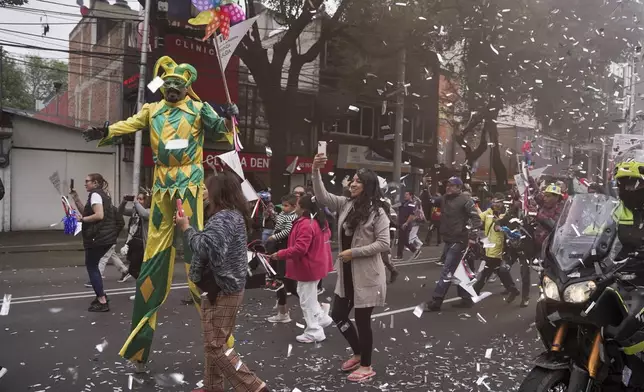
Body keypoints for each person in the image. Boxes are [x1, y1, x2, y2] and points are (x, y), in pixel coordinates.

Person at [82, 56, 239, 368]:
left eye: (176, 85)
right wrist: (106, 130)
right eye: (167, 85)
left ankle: (223, 344)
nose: (170, 89)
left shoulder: (198, 108)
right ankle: (139, 347)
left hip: (190, 187)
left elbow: (222, 134)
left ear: (186, 87)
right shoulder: (151, 111)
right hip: (162, 186)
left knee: (197, 258)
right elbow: (128, 124)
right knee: (153, 259)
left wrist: (229, 117)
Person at [177, 170, 269, 392]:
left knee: (217, 346)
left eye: (207, 188)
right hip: (217, 287)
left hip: (223, 288)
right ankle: (212, 387)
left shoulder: (225, 217)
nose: (204, 192)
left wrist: (186, 228)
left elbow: (207, 248)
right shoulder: (229, 215)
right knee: (213, 344)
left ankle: (255, 387)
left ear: (219, 192)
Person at [312, 154, 390, 383]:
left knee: (363, 321)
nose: (352, 183)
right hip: (347, 275)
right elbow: (322, 197)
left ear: (368, 186)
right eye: (352, 180)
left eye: (358, 181)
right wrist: (316, 171)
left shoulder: (378, 212)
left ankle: (367, 365)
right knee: (337, 314)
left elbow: (385, 243)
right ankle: (358, 353)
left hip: (367, 275)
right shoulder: (346, 204)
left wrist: (354, 252)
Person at [269, 195, 334, 343]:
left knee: (305, 300)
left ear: (303, 208)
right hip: (315, 264)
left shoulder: (306, 223)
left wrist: (280, 254)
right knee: (307, 296)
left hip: (308, 266)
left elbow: (300, 249)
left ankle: (314, 331)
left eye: (297, 205)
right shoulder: (318, 221)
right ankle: (321, 317)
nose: (295, 207)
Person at [422, 176, 482, 312]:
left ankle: (436, 301)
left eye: (452, 185)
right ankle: (467, 299)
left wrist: (472, 236)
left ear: (459, 188)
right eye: (447, 185)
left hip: (459, 240)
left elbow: (476, 219)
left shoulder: (466, 201)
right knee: (459, 271)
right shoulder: (443, 199)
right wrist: (425, 188)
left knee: (447, 271)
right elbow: (429, 201)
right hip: (448, 239)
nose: (448, 187)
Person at [76, 173, 118, 312]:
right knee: (93, 265)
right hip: (105, 238)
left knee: (92, 266)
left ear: (95, 183)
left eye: (87, 181)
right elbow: (88, 213)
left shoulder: (95, 195)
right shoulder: (101, 195)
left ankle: (102, 300)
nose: (85, 184)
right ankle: (101, 295)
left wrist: (82, 220)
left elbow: (99, 215)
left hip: (97, 238)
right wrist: (75, 198)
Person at [470, 193, 520, 304]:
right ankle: (512, 289)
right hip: (488, 244)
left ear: (502, 203)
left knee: (487, 270)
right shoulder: (488, 212)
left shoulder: (505, 214)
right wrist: (476, 207)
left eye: (498, 202)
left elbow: (507, 227)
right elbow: (479, 216)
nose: (495, 204)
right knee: (498, 270)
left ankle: (475, 290)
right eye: (494, 201)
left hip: (498, 246)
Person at [264, 193, 298, 298]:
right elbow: (277, 222)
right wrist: (272, 215)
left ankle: (281, 280)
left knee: (282, 260)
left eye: (286, 205)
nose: (283, 207)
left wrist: (274, 237)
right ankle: (272, 275)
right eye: (283, 205)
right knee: (273, 257)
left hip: (284, 240)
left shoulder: (293, 216)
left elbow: (287, 231)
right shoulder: (283, 213)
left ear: (294, 206)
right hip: (277, 236)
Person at [119, 192, 151, 288]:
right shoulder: (134, 210)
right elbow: (121, 211)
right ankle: (142, 290)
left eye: (141, 199)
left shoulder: (150, 210)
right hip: (133, 242)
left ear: (146, 201)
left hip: (142, 243)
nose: (139, 201)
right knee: (135, 268)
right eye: (138, 198)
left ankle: (146, 288)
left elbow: (144, 214)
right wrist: (124, 202)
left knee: (134, 269)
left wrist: (135, 202)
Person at [395, 191, 422, 260]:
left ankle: (414, 250)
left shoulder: (412, 204)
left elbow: (411, 215)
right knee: (402, 240)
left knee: (404, 240)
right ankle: (399, 255)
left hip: (406, 224)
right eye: (405, 194)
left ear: (411, 196)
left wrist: (406, 223)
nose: (405, 195)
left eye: (407, 194)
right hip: (401, 223)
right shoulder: (404, 203)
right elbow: (397, 206)